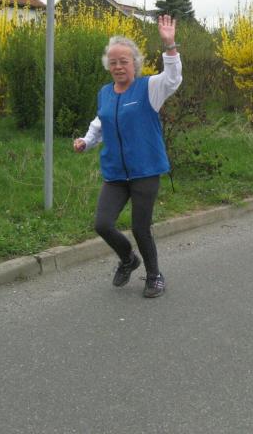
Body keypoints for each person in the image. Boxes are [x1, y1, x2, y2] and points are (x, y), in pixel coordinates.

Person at [73, 15, 181, 298]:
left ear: (135, 63)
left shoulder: (149, 88)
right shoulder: (105, 93)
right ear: (108, 66)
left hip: (145, 170)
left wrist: (170, 45)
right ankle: (128, 259)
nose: (118, 66)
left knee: (140, 228)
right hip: (116, 172)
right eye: (113, 62)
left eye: (124, 61)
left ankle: (154, 275)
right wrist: (86, 141)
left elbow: (173, 78)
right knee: (102, 224)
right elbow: (101, 121)